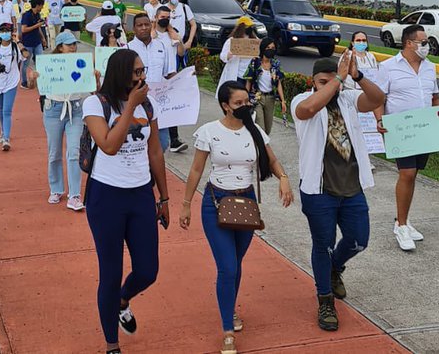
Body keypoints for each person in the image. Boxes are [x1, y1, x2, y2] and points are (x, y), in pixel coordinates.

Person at [181, 81, 294, 354]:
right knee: (228, 267)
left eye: (247, 102)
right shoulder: (209, 132)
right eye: (238, 103)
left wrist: (284, 179)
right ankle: (227, 331)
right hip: (215, 203)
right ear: (225, 105)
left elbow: (273, 160)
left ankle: (229, 308)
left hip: (246, 204)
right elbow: (196, 170)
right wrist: (185, 204)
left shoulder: (254, 131)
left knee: (236, 263)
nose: (245, 107)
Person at [83, 48, 170, 354]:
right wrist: (130, 107)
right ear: (120, 73)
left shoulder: (148, 104)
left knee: (148, 270)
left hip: (141, 194)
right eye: (136, 72)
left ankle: (123, 300)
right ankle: (111, 344)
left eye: (143, 70)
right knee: (110, 272)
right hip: (106, 197)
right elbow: (107, 145)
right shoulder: (96, 103)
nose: (142, 77)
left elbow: (155, 152)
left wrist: (164, 197)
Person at [291, 53, 387, 332]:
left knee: (359, 240)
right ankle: (325, 300)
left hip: (352, 186)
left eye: (333, 80)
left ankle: (334, 268)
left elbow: (377, 99)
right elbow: (306, 111)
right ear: (313, 81)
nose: (330, 85)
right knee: (323, 244)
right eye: (323, 81)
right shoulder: (302, 99)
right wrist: (338, 79)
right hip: (318, 189)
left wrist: (356, 77)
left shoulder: (347, 98)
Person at [373, 24, 439, 252]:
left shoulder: (430, 68)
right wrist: (380, 120)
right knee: (407, 173)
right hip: (400, 130)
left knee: (414, 175)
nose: (426, 46)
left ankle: (402, 219)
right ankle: (401, 226)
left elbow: (435, 98)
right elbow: (377, 98)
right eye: (423, 42)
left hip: (423, 130)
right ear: (409, 43)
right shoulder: (387, 67)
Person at [28, 31, 90, 211]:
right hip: (53, 109)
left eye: (74, 44)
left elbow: (94, 89)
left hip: (75, 109)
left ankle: (75, 194)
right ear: (60, 47)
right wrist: (32, 79)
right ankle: (56, 188)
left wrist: (94, 77)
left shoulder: (81, 63)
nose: (73, 47)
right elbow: (34, 86)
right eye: (69, 44)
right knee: (54, 152)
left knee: (74, 151)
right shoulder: (48, 64)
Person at [125, 12, 180, 152]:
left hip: (158, 103)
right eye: (139, 25)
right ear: (134, 29)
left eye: (146, 24)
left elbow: (169, 74)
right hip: (137, 104)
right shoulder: (127, 49)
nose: (143, 28)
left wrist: (185, 79)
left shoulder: (161, 46)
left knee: (162, 143)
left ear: (151, 26)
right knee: (139, 142)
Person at [151, 5, 189, 153]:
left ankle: (174, 139)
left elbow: (181, 53)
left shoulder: (172, 35)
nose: (165, 20)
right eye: (162, 18)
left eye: (168, 18)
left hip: (171, 76)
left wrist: (177, 39)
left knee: (170, 108)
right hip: (156, 79)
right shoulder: (152, 35)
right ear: (156, 17)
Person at [0, 23, 26, 151]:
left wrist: (18, 42)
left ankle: (6, 138)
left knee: (7, 110)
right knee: (0, 109)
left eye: (7, 31)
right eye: (3, 31)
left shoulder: (15, 48)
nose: (5, 33)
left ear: (11, 32)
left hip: (12, 81)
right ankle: (3, 130)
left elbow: (26, 55)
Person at [240, 38, 287, 135]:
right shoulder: (255, 62)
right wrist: (245, 98)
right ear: (263, 49)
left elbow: (278, 84)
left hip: (270, 98)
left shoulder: (276, 64)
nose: (270, 50)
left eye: (273, 48)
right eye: (268, 47)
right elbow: (248, 81)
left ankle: (263, 144)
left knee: (268, 128)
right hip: (257, 98)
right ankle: (262, 147)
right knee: (260, 126)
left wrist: (283, 101)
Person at [217, 18, 258, 92]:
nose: (250, 29)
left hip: (249, 74)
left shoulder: (254, 40)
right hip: (236, 74)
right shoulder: (231, 41)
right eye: (247, 26)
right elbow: (222, 56)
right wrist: (228, 56)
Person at [166, 0, 196, 68]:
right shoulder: (164, 8)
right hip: (169, 45)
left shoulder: (184, 7)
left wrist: (189, 41)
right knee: (172, 69)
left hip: (182, 43)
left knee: (184, 68)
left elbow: (193, 24)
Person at [19, 0, 46, 84]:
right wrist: (37, 25)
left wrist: (42, 38)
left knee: (41, 61)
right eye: (41, 6)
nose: (42, 8)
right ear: (37, 5)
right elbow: (24, 29)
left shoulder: (37, 14)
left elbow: (38, 27)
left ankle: (41, 80)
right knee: (26, 63)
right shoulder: (26, 15)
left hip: (37, 42)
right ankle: (24, 81)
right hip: (28, 42)